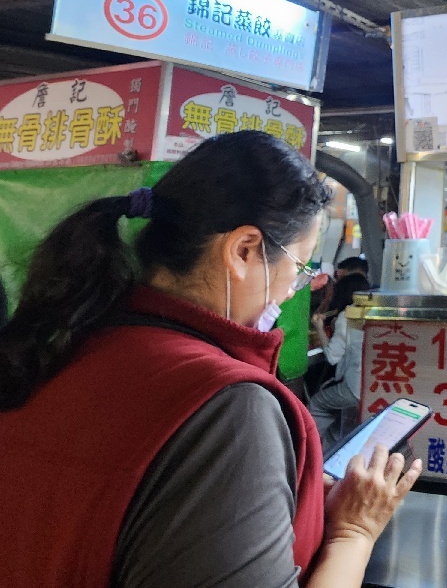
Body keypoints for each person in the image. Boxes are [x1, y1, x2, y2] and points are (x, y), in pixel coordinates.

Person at [0, 132, 421, 588]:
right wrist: (354, 533)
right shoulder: (230, 409)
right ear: (242, 251)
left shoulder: (59, 344)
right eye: (298, 267)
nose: (289, 289)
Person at [310, 271, 371, 450]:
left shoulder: (347, 316)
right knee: (338, 425)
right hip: (372, 388)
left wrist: (319, 327)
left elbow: (332, 356)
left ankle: (308, 452)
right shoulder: (371, 312)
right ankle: (328, 456)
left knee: (317, 405)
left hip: (354, 386)